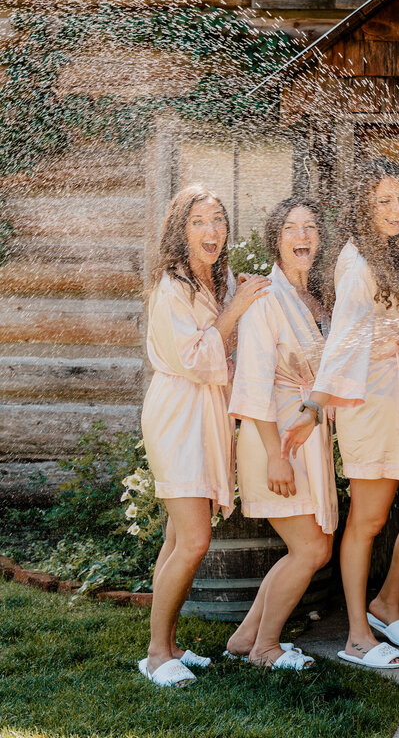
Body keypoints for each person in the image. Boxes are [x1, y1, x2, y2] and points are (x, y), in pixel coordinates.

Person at [283, 158, 399, 670]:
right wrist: (314, 406)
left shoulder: (393, 253)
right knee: (367, 520)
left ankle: (384, 602)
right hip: (371, 396)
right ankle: (357, 634)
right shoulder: (357, 263)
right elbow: (344, 339)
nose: (395, 209)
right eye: (383, 200)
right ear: (364, 205)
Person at [139, 185, 269, 686]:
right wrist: (236, 308)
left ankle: (169, 643)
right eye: (199, 221)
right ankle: (155, 656)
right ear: (180, 230)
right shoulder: (173, 287)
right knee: (194, 540)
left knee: (176, 538)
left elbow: (227, 346)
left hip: (204, 412)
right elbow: (194, 358)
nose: (212, 230)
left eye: (218, 220)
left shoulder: (214, 280)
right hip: (179, 415)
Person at [225, 197, 337, 671]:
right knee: (311, 548)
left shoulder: (314, 298)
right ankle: (267, 648)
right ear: (276, 238)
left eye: (310, 227)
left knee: (309, 546)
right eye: (291, 228)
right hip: (274, 438)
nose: (303, 236)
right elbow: (252, 384)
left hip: (306, 434)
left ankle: (246, 638)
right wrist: (275, 455)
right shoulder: (265, 298)